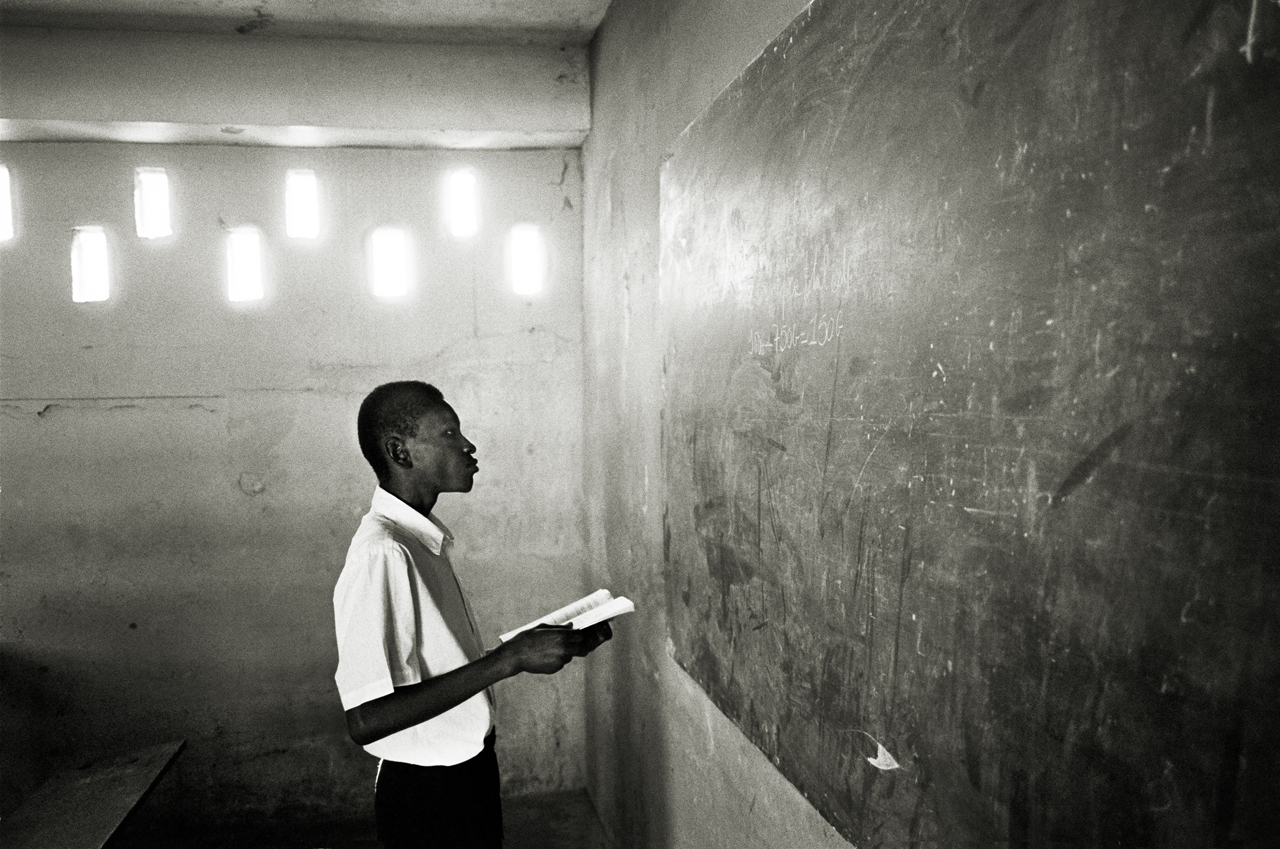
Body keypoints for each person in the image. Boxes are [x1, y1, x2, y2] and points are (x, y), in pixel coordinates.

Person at [333, 380, 611, 849]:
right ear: (400, 452)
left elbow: (431, 668)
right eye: (447, 434)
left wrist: (530, 647)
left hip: (464, 775)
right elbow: (367, 719)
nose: (468, 445)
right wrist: (509, 660)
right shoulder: (383, 553)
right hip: (427, 796)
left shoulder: (419, 541)